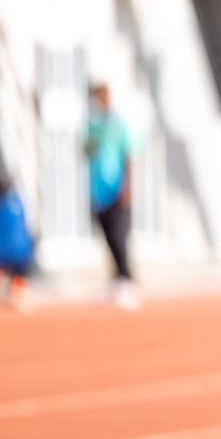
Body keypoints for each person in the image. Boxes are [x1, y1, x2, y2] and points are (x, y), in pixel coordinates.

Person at [83, 83, 139, 310]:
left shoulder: (118, 124)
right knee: (108, 238)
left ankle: (128, 281)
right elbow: (85, 150)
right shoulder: (93, 125)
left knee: (119, 237)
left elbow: (129, 155)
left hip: (117, 189)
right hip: (99, 191)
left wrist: (128, 187)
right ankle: (117, 281)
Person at [0, 158, 35, 314]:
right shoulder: (17, 200)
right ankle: (16, 290)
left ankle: (15, 290)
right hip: (19, 257)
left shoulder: (9, 203)